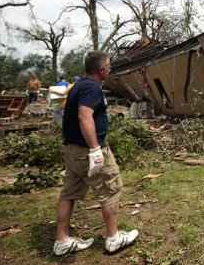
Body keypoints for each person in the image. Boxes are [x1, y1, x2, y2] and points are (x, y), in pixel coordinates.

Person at [53, 51, 139, 256]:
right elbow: (85, 116)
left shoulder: (79, 86)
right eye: (108, 66)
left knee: (69, 194)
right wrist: (95, 149)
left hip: (72, 151)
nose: (110, 69)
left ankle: (62, 239)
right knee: (110, 189)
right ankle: (113, 238)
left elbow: (66, 113)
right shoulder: (92, 88)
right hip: (87, 151)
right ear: (101, 70)